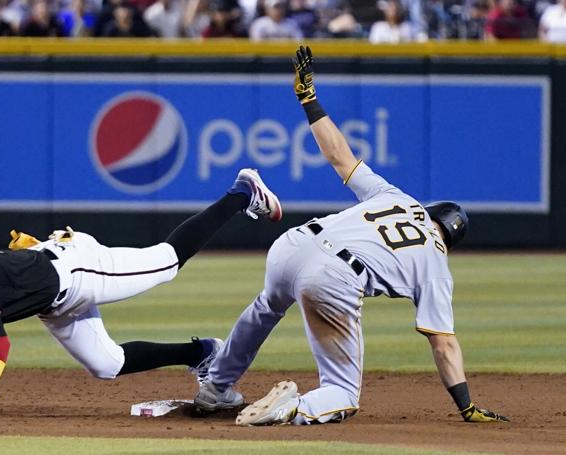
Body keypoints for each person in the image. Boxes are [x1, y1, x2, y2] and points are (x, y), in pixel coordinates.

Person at [194, 45, 509, 427]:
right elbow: (442, 342)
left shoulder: (397, 197)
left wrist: (309, 100)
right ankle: (294, 407)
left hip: (294, 243)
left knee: (266, 307)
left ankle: (215, 387)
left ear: (428, 211)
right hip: (334, 275)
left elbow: (339, 155)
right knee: (342, 393)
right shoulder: (436, 263)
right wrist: (466, 405)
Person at [0, 168, 282, 425]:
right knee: (107, 364)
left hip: (74, 270)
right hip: (52, 300)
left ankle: (242, 193)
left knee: (166, 263)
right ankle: (203, 353)